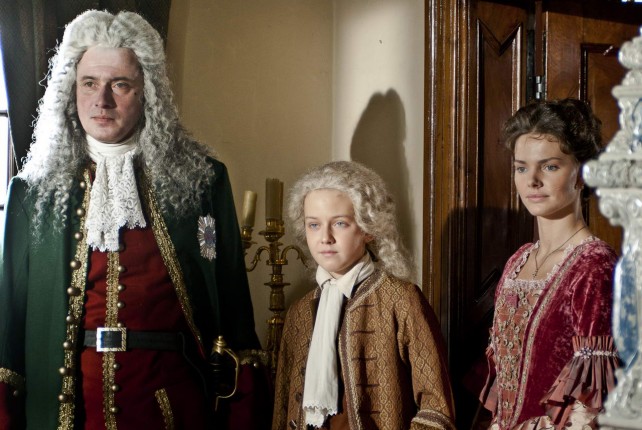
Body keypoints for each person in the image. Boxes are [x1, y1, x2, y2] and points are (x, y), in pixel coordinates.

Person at [0, 10, 269, 429]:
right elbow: (8, 333)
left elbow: (234, 314)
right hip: (66, 413)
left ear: (148, 93)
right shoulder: (31, 191)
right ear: (71, 90)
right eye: (89, 83)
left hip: (171, 407)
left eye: (120, 84)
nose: (102, 100)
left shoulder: (202, 181)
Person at [272, 161, 455, 430]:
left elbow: (436, 407)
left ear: (368, 228)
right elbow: (282, 409)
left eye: (340, 223)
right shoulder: (299, 311)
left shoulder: (401, 299)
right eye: (314, 225)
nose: (325, 237)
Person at [479, 98, 619, 429]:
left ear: (581, 174)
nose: (532, 180)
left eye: (550, 167)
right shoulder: (518, 260)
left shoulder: (594, 265)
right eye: (521, 167)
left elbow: (592, 404)